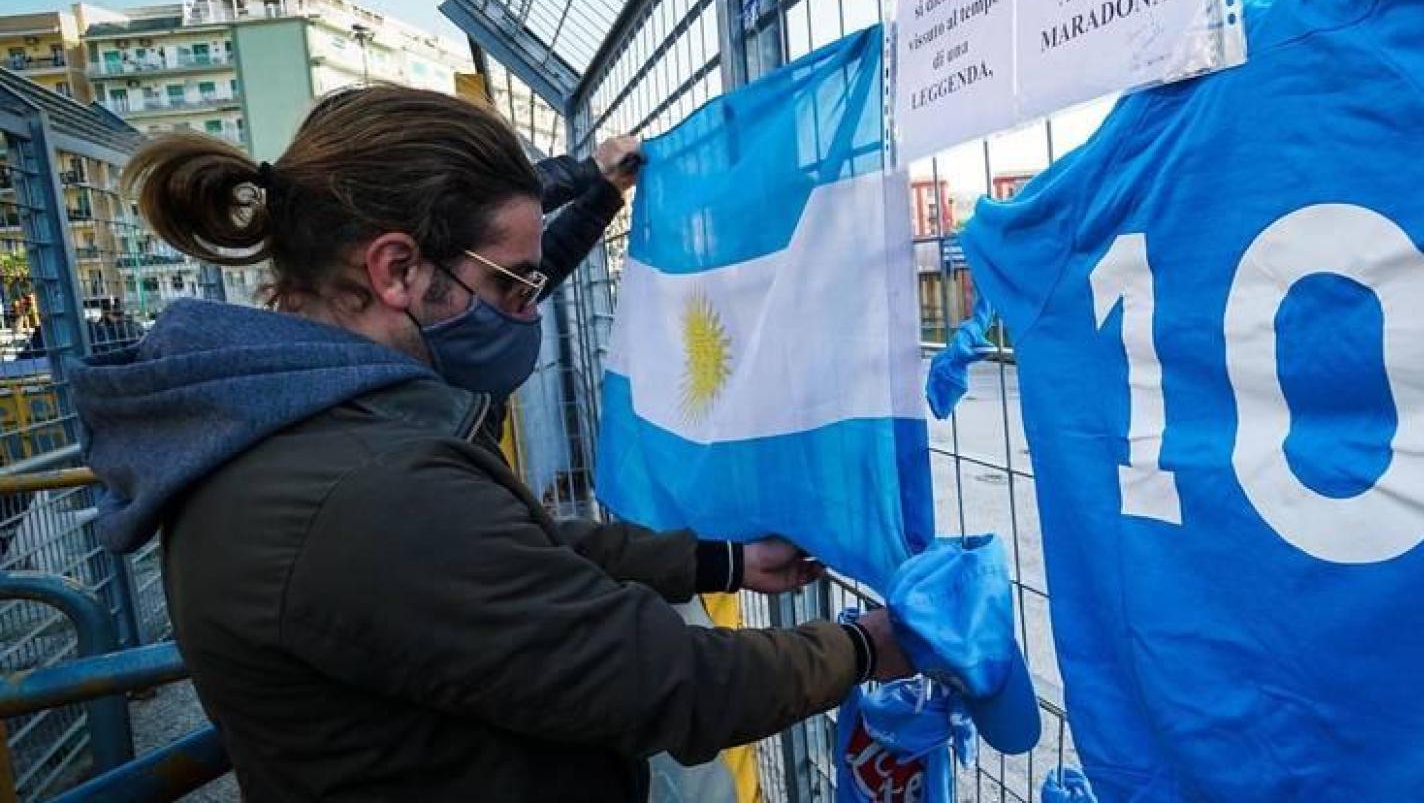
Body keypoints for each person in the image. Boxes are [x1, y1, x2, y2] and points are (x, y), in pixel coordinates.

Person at [71, 86, 911, 801]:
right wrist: (866, 646)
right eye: (511, 284)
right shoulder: (365, 490)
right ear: (396, 271)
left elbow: (509, 553)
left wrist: (721, 564)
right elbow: (668, 683)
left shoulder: (284, 426)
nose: (525, 313)